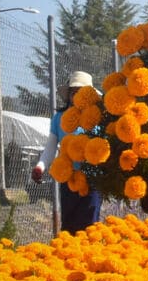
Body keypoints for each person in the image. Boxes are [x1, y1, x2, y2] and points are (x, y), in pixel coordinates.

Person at [32, 71, 102, 233]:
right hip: (68, 180)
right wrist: (40, 167)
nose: (77, 96)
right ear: (68, 95)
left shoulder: (98, 116)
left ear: (90, 95)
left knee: (90, 227)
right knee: (69, 227)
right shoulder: (59, 118)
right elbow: (50, 147)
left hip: (93, 179)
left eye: (82, 92)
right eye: (73, 92)